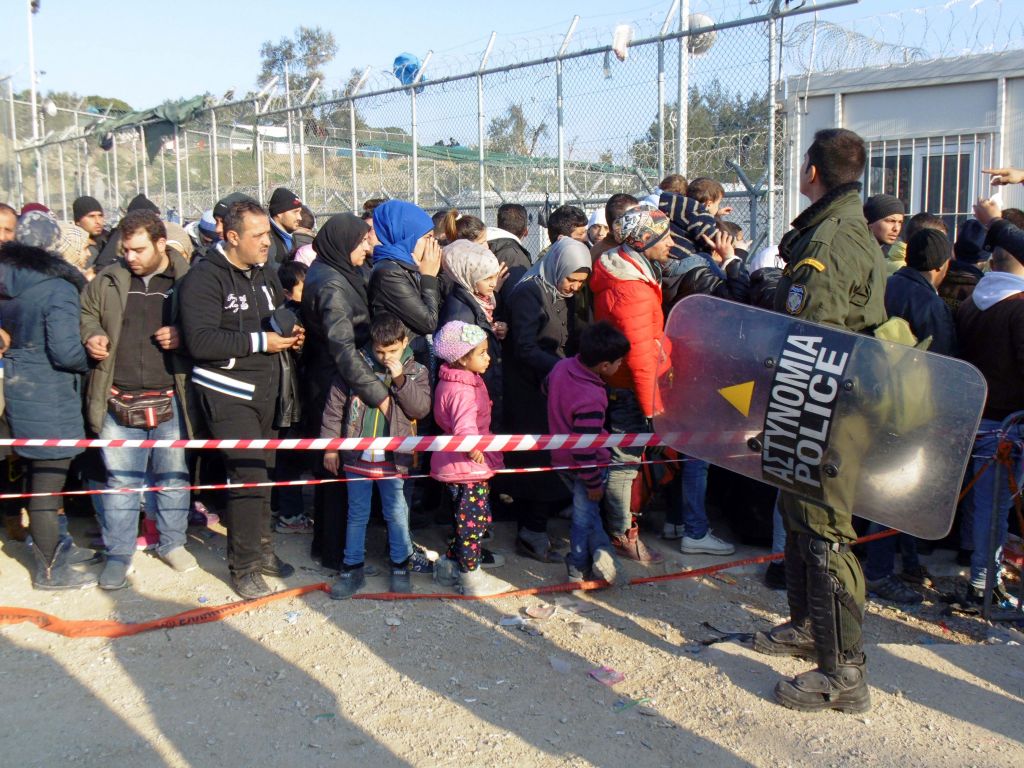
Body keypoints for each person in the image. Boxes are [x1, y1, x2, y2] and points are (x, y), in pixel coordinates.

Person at [752, 128, 884, 714]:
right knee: (800, 517)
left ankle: (845, 672)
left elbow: (816, 343)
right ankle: (809, 626)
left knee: (825, 530)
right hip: (813, 403)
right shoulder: (837, 227)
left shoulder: (831, 238)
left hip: (824, 406)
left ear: (812, 172)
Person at [178, 200, 301, 599]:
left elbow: (276, 315)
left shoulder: (265, 272)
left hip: (268, 390)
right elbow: (200, 341)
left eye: (267, 234)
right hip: (227, 392)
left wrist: (291, 333)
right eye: (258, 235)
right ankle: (243, 566)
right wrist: (261, 342)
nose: (267, 242)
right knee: (247, 476)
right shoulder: (203, 279)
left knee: (263, 475)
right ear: (232, 237)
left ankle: (262, 549)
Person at [79, 210, 197, 589]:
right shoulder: (109, 280)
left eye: (139, 250)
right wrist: (92, 335)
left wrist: (183, 335)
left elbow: (208, 326)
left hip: (171, 398)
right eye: (125, 250)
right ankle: (118, 554)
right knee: (120, 482)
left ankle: (173, 543)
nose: (130, 257)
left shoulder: (188, 280)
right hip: (117, 398)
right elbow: (87, 313)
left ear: (161, 244)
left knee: (174, 476)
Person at [860, 228, 957, 605]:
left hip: (873, 403)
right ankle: (880, 572)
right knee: (895, 491)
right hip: (910, 412)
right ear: (941, 266)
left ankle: (906, 561)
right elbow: (945, 367)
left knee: (880, 485)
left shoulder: (885, 286)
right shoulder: (930, 304)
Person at [0, 222, 94, 589]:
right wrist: (93, 360)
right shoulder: (57, 288)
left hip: (18, 385)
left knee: (38, 476)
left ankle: (58, 548)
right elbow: (66, 351)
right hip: (48, 392)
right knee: (47, 483)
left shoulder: (9, 280)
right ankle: (51, 569)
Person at [322, 313, 432, 598]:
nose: (386, 357)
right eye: (380, 351)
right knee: (357, 514)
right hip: (356, 456)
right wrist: (331, 447)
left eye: (392, 350)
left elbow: (420, 409)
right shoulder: (355, 367)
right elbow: (334, 409)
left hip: (395, 459)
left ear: (404, 342)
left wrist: (400, 379)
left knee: (396, 514)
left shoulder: (417, 370)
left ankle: (400, 567)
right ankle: (352, 569)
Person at [590, 206, 674, 564]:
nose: (671, 243)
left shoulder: (628, 271)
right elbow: (639, 354)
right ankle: (622, 533)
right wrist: (652, 408)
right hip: (632, 389)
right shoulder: (631, 289)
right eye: (664, 237)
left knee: (626, 461)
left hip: (629, 385)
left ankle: (621, 525)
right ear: (643, 241)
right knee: (624, 464)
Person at [954, 197, 1024, 608]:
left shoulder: (970, 303)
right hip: (1010, 427)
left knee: (985, 507)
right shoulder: (1018, 308)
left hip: (979, 420)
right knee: (994, 510)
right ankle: (984, 582)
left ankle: (982, 577)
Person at [504, 237, 591, 562]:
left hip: (553, 386)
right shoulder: (530, 293)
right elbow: (524, 347)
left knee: (551, 461)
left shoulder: (560, 293)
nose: (574, 287)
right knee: (538, 462)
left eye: (580, 282)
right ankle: (531, 533)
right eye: (571, 279)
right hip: (530, 391)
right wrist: (564, 369)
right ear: (557, 268)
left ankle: (537, 527)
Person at [300, 213, 378, 570]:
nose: (367, 247)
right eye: (361, 241)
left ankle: (329, 546)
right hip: (334, 385)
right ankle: (338, 554)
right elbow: (343, 349)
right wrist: (376, 393)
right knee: (337, 473)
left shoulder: (332, 271)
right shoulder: (332, 284)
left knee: (332, 474)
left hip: (329, 378)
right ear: (344, 243)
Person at [429, 320, 512, 597]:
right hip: (467, 466)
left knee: (464, 518)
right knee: (473, 522)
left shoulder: (459, 379)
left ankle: (451, 565)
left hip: (458, 463)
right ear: (462, 359)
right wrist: (473, 447)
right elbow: (465, 426)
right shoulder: (462, 389)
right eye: (482, 353)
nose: (488, 358)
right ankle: (471, 576)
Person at [546, 321, 629, 584]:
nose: (621, 366)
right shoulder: (592, 396)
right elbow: (584, 447)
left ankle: (603, 560)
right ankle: (578, 565)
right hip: (587, 466)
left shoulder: (561, 367)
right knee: (584, 518)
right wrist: (593, 482)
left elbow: (545, 388)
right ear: (604, 366)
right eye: (619, 362)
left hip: (560, 460)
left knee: (588, 515)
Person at [439, 238, 507, 429]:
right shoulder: (460, 313)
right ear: (468, 276)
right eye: (487, 278)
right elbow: (462, 357)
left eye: (494, 276)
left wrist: (494, 331)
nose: (494, 284)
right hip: (473, 397)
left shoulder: (480, 301)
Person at [368, 200, 443, 364]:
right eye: (427, 238)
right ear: (405, 235)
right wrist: (428, 278)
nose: (432, 244)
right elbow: (428, 322)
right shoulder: (389, 273)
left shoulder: (406, 265)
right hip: (401, 364)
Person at [486, 202, 532, 316]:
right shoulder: (516, 257)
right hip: (501, 324)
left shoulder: (482, 245)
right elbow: (518, 304)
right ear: (525, 231)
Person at [863, 194, 906, 275]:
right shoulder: (852, 250)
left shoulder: (900, 254)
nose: (896, 228)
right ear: (870, 222)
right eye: (891, 221)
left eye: (900, 222)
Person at [267, 187, 304, 264]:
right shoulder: (267, 241)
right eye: (295, 212)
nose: (300, 217)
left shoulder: (294, 237)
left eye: (300, 212)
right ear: (279, 213)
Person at [72, 195, 108, 262]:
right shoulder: (71, 246)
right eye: (91, 216)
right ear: (78, 221)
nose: (98, 221)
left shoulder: (111, 240)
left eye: (100, 216)